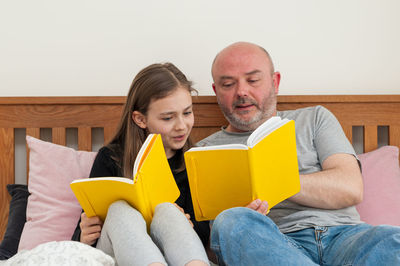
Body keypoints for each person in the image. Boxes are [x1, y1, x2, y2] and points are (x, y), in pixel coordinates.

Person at [198, 41, 400, 265]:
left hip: (346, 239)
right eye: (228, 84)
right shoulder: (204, 150)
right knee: (231, 221)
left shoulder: (314, 119)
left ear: (275, 82)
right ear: (216, 91)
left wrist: (276, 181)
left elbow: (351, 188)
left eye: (253, 80)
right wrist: (245, 217)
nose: (242, 92)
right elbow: (218, 246)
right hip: (275, 245)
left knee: (392, 239)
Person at [72, 63, 210, 266]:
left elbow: (203, 235)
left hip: (177, 256)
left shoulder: (195, 161)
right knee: (119, 210)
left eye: (187, 113)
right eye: (168, 117)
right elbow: (82, 237)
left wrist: (187, 222)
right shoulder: (110, 158)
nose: (181, 125)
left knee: (168, 210)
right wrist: (84, 235)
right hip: (117, 255)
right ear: (140, 119)